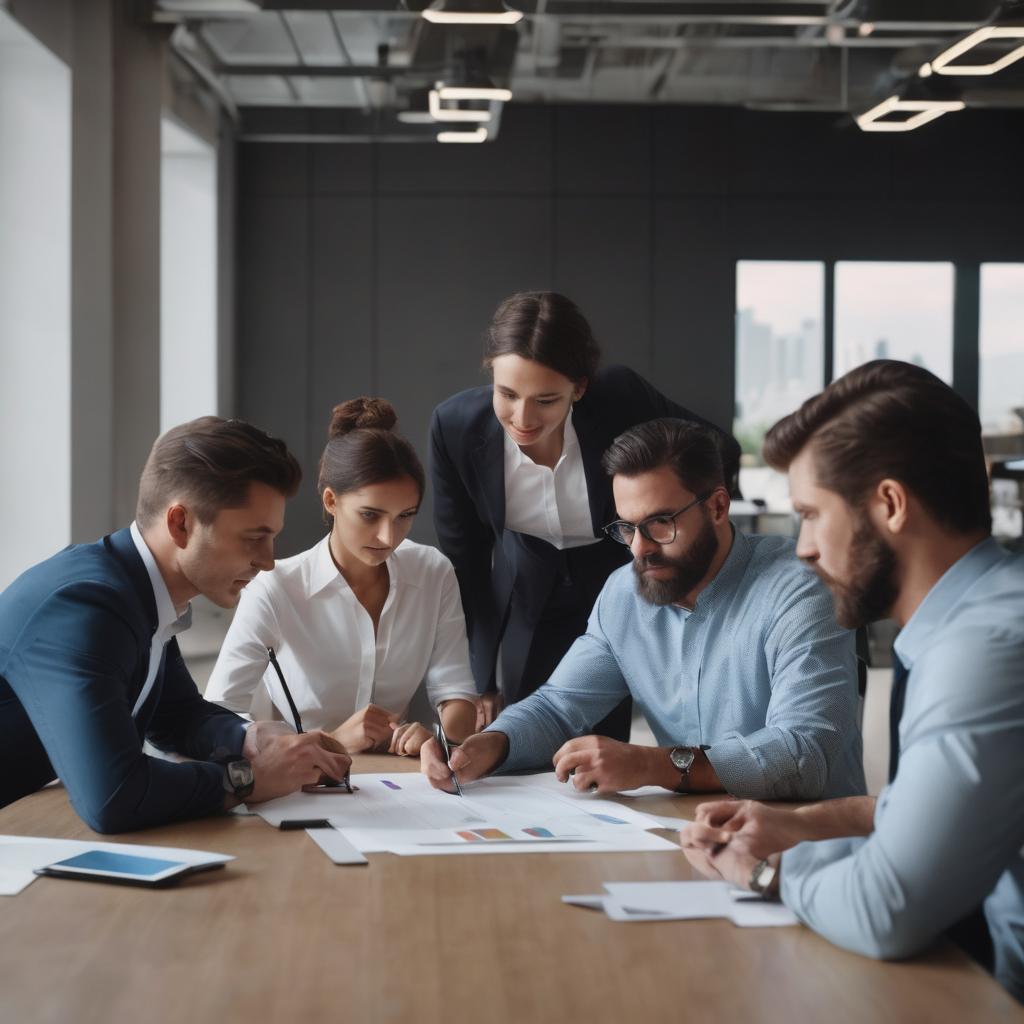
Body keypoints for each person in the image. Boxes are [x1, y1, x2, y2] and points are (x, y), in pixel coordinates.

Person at [679, 360, 1024, 1004]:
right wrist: (798, 825)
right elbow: (925, 808)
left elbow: (885, 911)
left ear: (890, 505)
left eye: (812, 514)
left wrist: (760, 873)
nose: (804, 547)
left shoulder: (982, 651)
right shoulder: (986, 613)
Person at [422, 418, 865, 800]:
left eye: (660, 523)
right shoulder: (625, 595)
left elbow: (805, 752)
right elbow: (558, 707)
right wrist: (489, 744)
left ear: (717, 506)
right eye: (627, 528)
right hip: (694, 835)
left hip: (810, 843)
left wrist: (656, 766)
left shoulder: (803, 589)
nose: (640, 549)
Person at [0, 417, 351, 833]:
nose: (268, 560)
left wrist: (256, 740)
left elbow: (176, 715)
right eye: (252, 538)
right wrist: (248, 778)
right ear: (180, 523)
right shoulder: (89, 606)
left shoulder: (136, 590)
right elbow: (114, 797)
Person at [430, 291, 742, 737]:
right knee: (523, 734)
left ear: (579, 387)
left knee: (605, 743)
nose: (522, 417)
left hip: (617, 577)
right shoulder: (454, 426)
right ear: (490, 372)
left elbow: (719, 448)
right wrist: (480, 678)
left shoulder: (620, 398)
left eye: (546, 399)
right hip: (526, 586)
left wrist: (686, 527)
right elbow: (467, 561)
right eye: (508, 393)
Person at [207, 399, 477, 755]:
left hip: (402, 780)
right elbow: (217, 715)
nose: (388, 536)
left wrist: (439, 740)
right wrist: (331, 743)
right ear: (331, 501)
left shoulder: (433, 572)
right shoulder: (275, 588)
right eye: (370, 515)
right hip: (300, 779)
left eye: (404, 515)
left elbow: (456, 691)